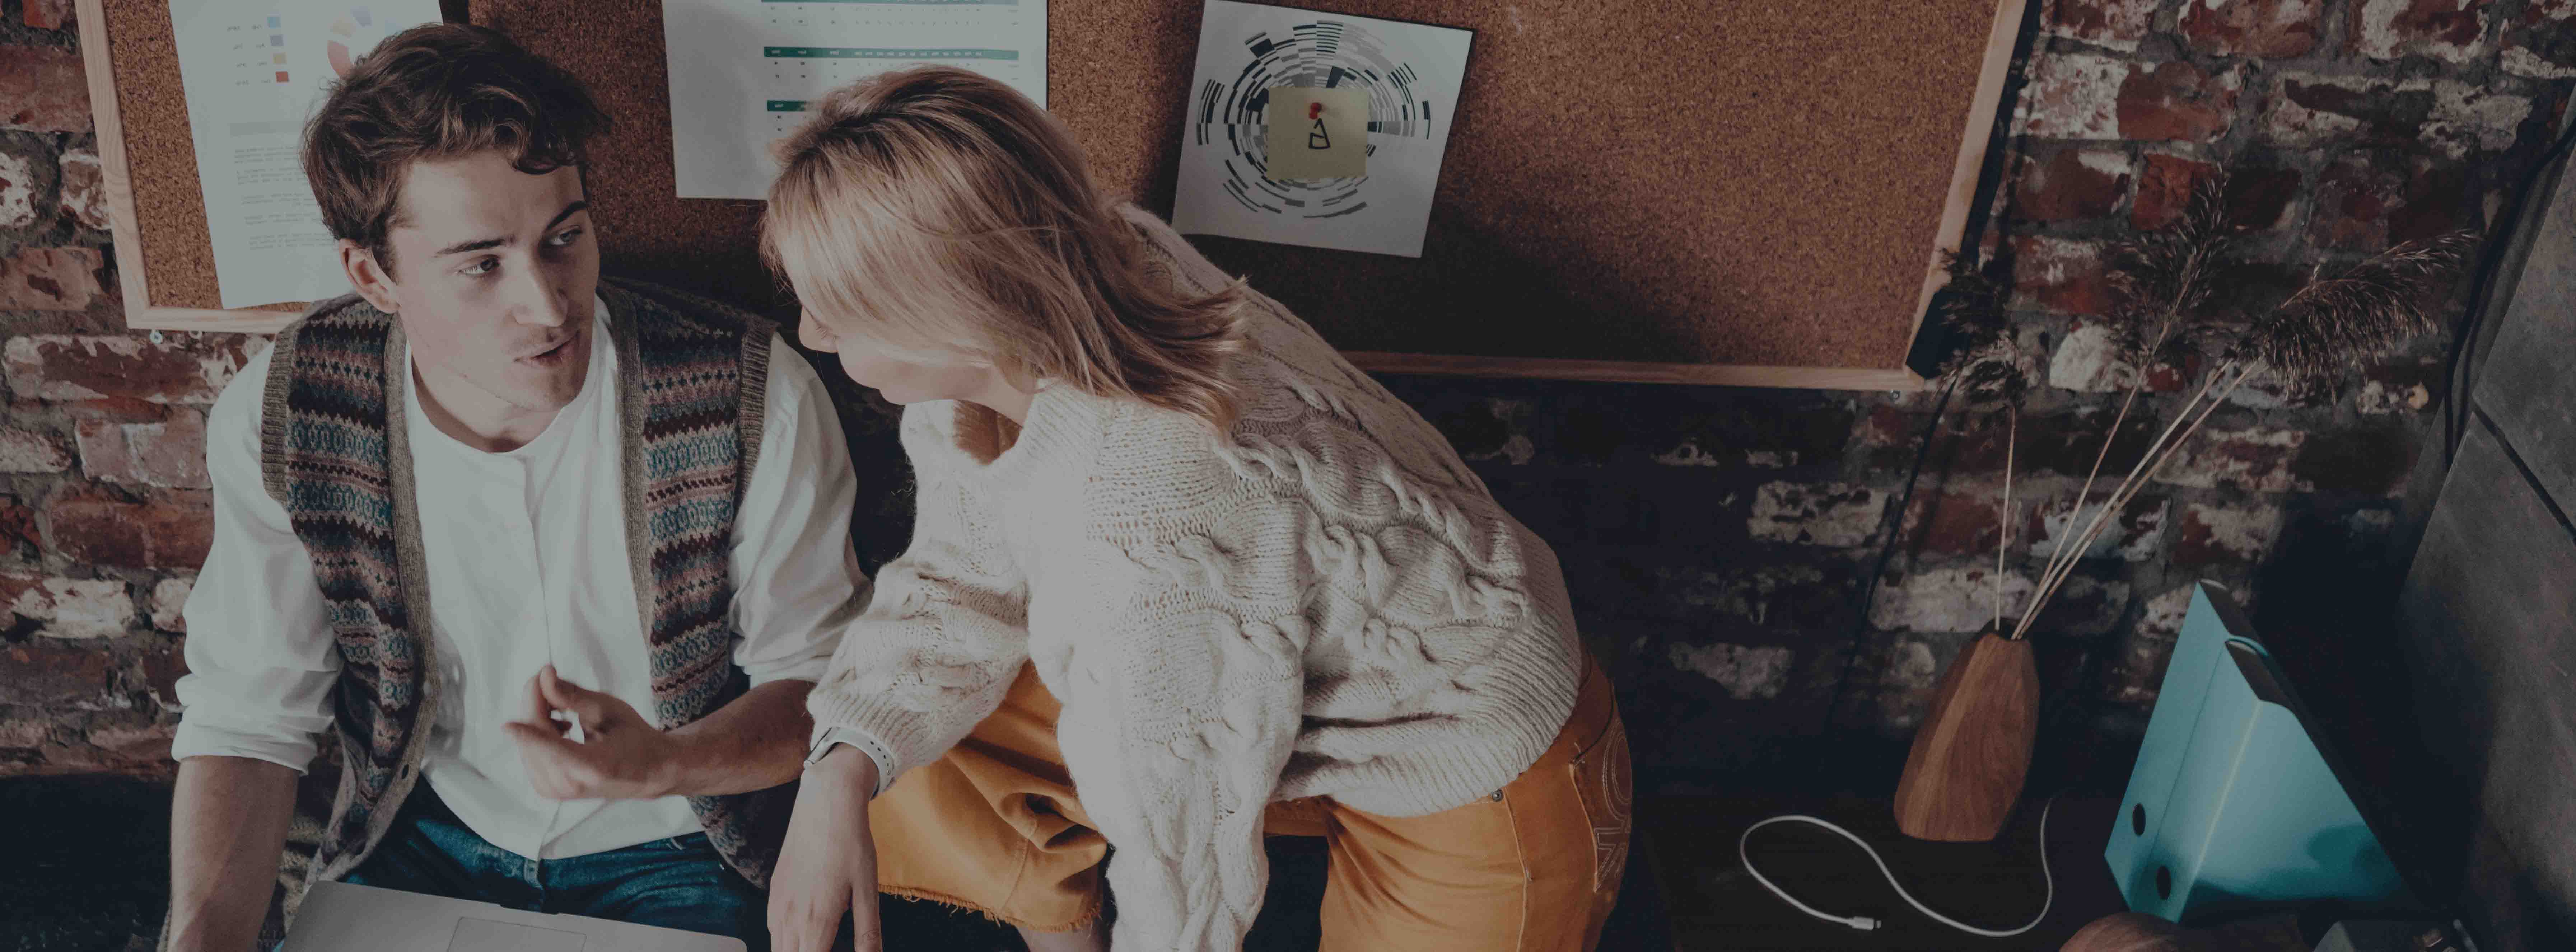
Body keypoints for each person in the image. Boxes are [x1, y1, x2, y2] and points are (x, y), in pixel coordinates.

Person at [761, 66, 1632, 952]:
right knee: (936, 730)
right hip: (1290, 677)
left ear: (952, 322)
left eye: (836, 312)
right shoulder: (1078, 268)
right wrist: (838, 769)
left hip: (1477, 761)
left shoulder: (1144, 515)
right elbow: (964, 573)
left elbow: (1183, 863)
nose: (812, 334)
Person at [163, 25, 863, 951]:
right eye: (481, 264)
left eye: (564, 237)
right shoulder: (294, 407)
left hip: (683, 847)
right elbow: (250, 717)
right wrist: (200, 935)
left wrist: (662, 761)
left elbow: (822, 688)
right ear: (374, 275)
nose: (547, 303)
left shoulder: (748, 392)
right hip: (422, 834)